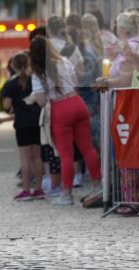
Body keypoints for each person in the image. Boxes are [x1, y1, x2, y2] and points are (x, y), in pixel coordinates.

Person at [27, 36, 101, 208]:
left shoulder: (37, 74)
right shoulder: (64, 61)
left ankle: (66, 194)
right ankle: (98, 186)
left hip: (60, 109)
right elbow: (75, 82)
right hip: (77, 103)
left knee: (66, 155)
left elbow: (42, 102)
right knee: (88, 148)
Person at [1, 52, 43, 201]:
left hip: (22, 122)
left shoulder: (10, 84)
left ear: (13, 66)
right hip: (37, 121)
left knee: (25, 158)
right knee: (37, 156)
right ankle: (38, 189)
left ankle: (26, 189)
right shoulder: (35, 80)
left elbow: (6, 105)